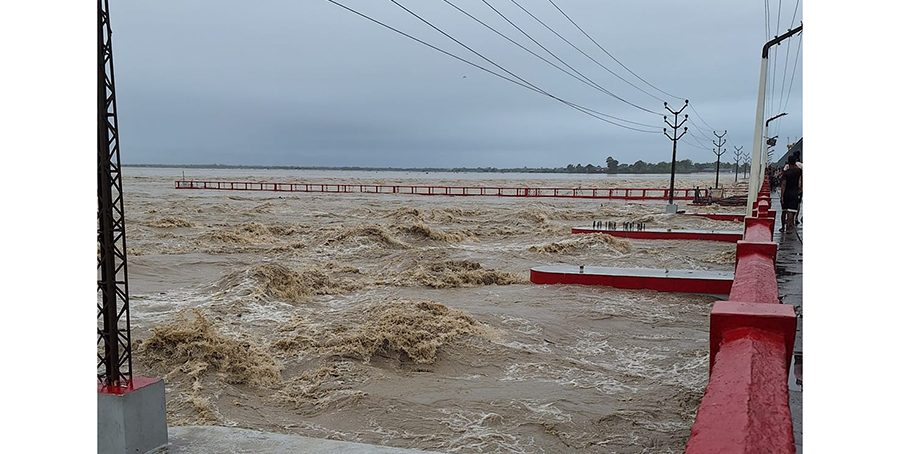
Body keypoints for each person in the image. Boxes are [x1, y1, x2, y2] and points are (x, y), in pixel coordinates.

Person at [780, 155, 802, 233]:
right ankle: (789, 227)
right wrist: (800, 190)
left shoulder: (785, 173)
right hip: (794, 193)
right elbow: (800, 183)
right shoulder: (799, 171)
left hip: (786, 193)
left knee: (784, 211)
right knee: (791, 211)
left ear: (788, 162)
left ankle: (783, 227)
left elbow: (783, 185)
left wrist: (782, 196)